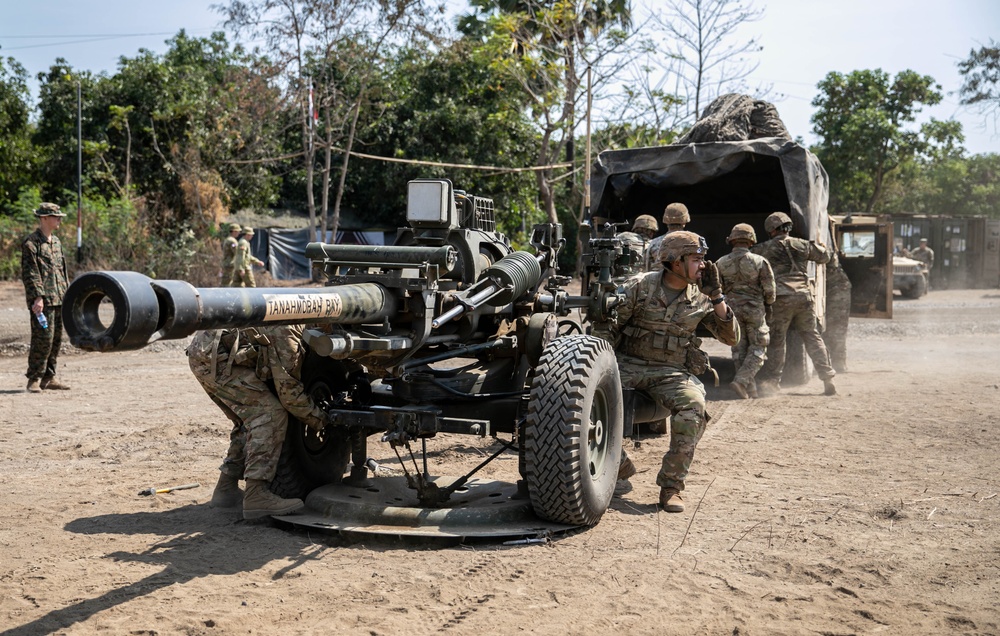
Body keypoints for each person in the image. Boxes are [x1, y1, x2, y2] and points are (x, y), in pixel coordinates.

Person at [594, 231, 740, 512]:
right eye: (697, 260)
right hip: (627, 364)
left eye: (703, 259)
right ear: (675, 261)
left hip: (671, 370)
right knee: (591, 398)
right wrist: (602, 369)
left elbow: (731, 338)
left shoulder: (702, 296)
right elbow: (606, 330)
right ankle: (617, 461)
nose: (704, 266)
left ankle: (671, 486)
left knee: (694, 405)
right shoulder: (639, 286)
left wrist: (718, 296)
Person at [186, 324, 329, 519]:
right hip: (216, 360)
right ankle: (256, 494)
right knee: (269, 414)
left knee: (248, 419)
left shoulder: (293, 314)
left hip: (207, 354)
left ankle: (226, 490)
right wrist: (322, 420)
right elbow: (290, 394)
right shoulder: (288, 330)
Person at [751, 212, 837, 396]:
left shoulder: (763, 248)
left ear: (771, 230)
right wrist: (821, 246)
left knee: (777, 340)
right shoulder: (802, 245)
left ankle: (773, 382)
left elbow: (749, 260)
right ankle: (828, 377)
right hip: (804, 297)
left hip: (780, 298)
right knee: (812, 336)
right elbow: (825, 257)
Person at [715, 223, 776, 399]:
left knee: (739, 350)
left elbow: (719, 290)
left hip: (731, 310)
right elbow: (770, 291)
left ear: (732, 241)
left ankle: (751, 389)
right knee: (758, 348)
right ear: (751, 241)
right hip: (754, 309)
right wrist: (768, 305)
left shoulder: (721, 262)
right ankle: (741, 382)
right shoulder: (760, 262)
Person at [21, 203, 71, 393]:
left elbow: (62, 271)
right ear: (43, 218)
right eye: (55, 216)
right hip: (43, 302)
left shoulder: (56, 242)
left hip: (59, 298)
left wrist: (68, 295)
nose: (59, 219)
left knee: (56, 339)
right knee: (43, 339)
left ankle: (49, 377)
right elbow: (31, 273)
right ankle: (34, 378)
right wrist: (37, 298)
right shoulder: (31, 244)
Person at [824, 251, 852, 373]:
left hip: (839, 292)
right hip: (835, 290)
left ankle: (838, 363)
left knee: (837, 329)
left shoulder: (830, 256)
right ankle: (831, 362)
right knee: (828, 330)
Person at [646, 202, 690, 269]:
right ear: (685, 221)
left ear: (665, 221)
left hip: (659, 278)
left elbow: (647, 269)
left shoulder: (653, 243)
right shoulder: (695, 241)